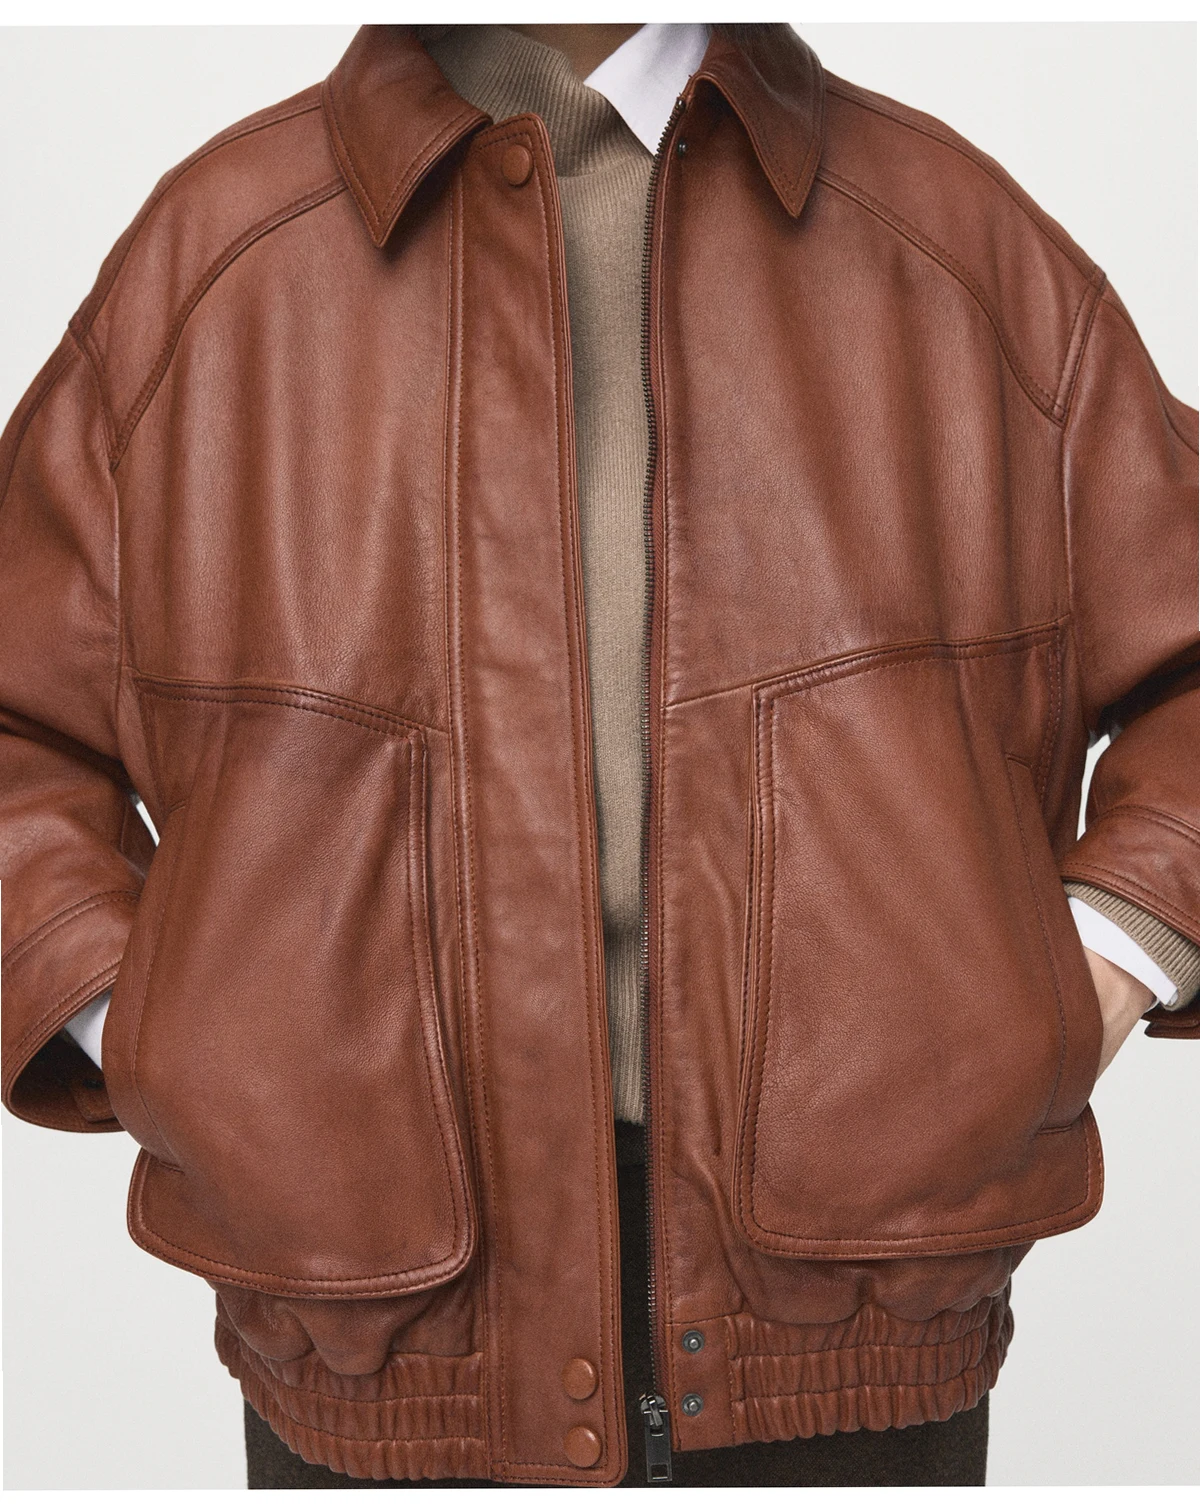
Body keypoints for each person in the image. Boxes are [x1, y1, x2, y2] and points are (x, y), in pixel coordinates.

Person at [1, 20, 1196, 1490]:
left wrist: (1099, 968)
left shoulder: (957, 247)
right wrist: (155, 1036)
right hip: (371, 1323)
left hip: (869, 1311)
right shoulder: (214, 263)